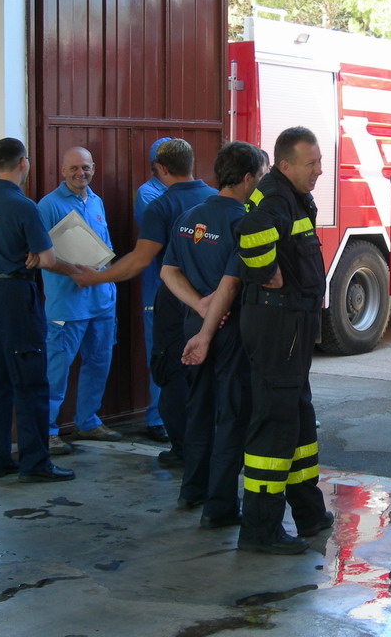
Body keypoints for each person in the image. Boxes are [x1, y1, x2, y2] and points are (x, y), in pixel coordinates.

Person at [72, 138, 216, 443]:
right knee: (205, 367)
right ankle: (198, 435)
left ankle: (179, 442)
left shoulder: (160, 204)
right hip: (213, 302)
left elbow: (141, 258)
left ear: (160, 167)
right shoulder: (215, 199)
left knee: (170, 366)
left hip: (172, 299)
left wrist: (95, 278)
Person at [235, 126, 334, 555]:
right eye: (311, 163)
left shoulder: (291, 196)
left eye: (319, 161)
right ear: (285, 164)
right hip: (278, 327)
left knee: (298, 418)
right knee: (275, 424)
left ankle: (309, 512)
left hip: (293, 327)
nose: (319, 170)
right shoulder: (275, 196)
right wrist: (264, 270)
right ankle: (260, 529)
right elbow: (249, 231)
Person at [160, 141, 269, 528]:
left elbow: (168, 271)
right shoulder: (244, 222)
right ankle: (220, 506)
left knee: (199, 410)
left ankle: (193, 489)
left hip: (195, 325)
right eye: (261, 176)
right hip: (228, 330)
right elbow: (230, 284)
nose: (262, 183)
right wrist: (211, 318)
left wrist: (198, 306)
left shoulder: (188, 217)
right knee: (231, 416)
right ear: (247, 179)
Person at [0, 137, 76, 483]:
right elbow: (46, 258)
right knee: (30, 379)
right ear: (22, 163)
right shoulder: (23, 206)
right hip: (16, 294)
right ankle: (35, 462)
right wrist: (72, 269)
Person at [37, 146, 120, 456]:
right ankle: (47, 431)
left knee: (98, 363)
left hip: (102, 302)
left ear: (93, 168)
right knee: (56, 370)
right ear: (62, 171)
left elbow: (104, 249)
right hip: (67, 306)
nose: (80, 173)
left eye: (85, 167)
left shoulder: (96, 201)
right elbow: (41, 255)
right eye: (73, 168)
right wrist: (74, 272)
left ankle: (87, 421)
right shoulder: (48, 205)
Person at [134, 137, 173, 452]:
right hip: (156, 289)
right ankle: (156, 419)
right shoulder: (147, 194)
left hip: (179, 288)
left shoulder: (176, 192)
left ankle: (174, 415)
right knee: (159, 352)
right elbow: (166, 237)